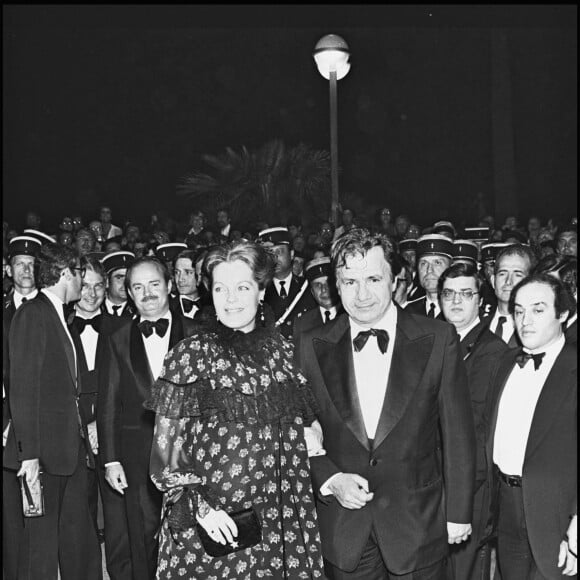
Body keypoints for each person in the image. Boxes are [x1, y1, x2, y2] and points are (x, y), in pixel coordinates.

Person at [296, 228, 476, 579]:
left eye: (373, 279)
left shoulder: (438, 339)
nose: (361, 295)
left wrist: (458, 513)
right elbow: (295, 428)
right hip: (343, 529)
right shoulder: (309, 345)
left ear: (395, 280)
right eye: (349, 282)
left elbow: (458, 433)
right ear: (336, 283)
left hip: (418, 525)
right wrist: (330, 479)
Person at [145, 240, 325, 578]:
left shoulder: (283, 354)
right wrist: (203, 509)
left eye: (242, 287)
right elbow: (166, 454)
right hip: (218, 525)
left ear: (261, 290)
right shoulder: (191, 355)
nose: (230, 299)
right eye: (220, 288)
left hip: (280, 522)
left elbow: (308, 422)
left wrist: (309, 431)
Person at [5, 243, 102, 579]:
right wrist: (28, 455)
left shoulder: (60, 316)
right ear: (66, 274)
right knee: (40, 548)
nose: (83, 283)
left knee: (79, 538)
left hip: (68, 451)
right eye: (80, 275)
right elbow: (22, 388)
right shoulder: (33, 314)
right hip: (43, 457)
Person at [97, 256, 197, 580]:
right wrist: (111, 460)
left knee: (193, 536)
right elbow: (108, 402)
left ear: (169, 286)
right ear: (129, 293)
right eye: (138, 287)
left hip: (192, 455)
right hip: (136, 456)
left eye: (154, 284)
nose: (148, 293)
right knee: (143, 538)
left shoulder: (199, 333)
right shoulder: (116, 338)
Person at [485, 273, 577, 579]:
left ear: (563, 314)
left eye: (538, 310)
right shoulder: (504, 362)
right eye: (519, 311)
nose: (526, 320)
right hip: (505, 506)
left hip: (558, 514)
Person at [438, 263, 509, 580]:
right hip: (434, 482)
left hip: (470, 486)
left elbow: (483, 431)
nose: (456, 301)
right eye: (448, 293)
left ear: (481, 300)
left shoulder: (493, 351)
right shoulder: (434, 342)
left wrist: (464, 494)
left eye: (466, 294)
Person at [68, 255, 132, 580]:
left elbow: (131, 391)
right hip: (72, 432)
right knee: (80, 517)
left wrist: (101, 423)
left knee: (118, 517)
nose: (91, 294)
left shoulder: (123, 328)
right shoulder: (60, 326)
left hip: (112, 431)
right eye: (85, 285)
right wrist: (81, 423)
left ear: (106, 288)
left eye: (97, 286)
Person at [2, 235, 42, 580]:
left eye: (31, 265)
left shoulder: (54, 311)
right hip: (6, 423)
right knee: (11, 510)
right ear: (8, 269)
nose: (26, 270)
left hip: (43, 423)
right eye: (19, 264)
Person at [258, 227, 316, 339]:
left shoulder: (308, 287)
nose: (274, 258)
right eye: (269, 254)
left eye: (279, 252)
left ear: (292, 254)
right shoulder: (259, 291)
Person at [481, 244, 537, 347]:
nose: (508, 281)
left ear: (531, 282)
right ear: (493, 281)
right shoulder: (478, 327)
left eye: (517, 274)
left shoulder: (538, 329)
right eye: (502, 273)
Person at [293, 256, 343, 352]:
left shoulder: (350, 315)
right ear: (312, 292)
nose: (324, 289)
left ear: (338, 285)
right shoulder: (302, 323)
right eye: (317, 285)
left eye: (328, 283)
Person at [405, 234, 453, 319]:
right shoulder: (408, 312)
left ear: (450, 267)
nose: (429, 270)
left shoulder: (458, 310)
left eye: (437, 263)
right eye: (423, 263)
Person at [101, 251, 136, 317]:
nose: (125, 283)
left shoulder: (139, 310)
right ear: (107, 281)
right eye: (119, 277)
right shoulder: (95, 308)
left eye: (129, 277)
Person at [171, 248, 204, 318]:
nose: (180, 279)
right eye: (177, 272)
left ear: (200, 275)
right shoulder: (166, 307)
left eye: (188, 272)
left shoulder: (213, 306)